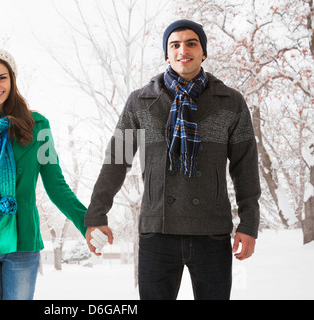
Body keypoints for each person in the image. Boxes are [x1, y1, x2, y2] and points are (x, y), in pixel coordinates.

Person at [85, 19, 261, 300]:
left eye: (192, 43)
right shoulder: (140, 101)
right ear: (166, 54)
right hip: (157, 232)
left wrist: (249, 223)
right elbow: (116, 160)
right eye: (174, 44)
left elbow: (246, 167)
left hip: (212, 232)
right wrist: (96, 214)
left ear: (203, 52)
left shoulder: (230, 101)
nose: (183, 50)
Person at [0, 48, 87, 300]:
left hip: (21, 240)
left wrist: (87, 222)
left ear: (13, 79)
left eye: (2, 77)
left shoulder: (39, 127)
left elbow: (56, 184)